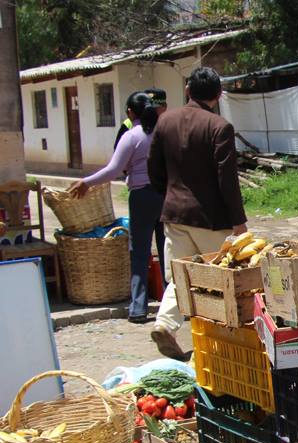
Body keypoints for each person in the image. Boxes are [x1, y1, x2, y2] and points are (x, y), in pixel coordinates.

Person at [148, 66, 248, 360]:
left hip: (175, 215)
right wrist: (239, 222)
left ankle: (165, 324)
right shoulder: (219, 127)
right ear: (217, 96)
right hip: (211, 220)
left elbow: (153, 168)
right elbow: (227, 180)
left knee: (181, 277)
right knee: (219, 281)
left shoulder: (165, 121)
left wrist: (169, 195)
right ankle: (221, 345)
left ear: (188, 90)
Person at [68, 91, 165, 324]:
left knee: (140, 253)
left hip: (142, 197)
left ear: (131, 113)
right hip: (166, 195)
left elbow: (114, 170)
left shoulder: (132, 136)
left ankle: (139, 309)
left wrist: (86, 182)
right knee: (166, 251)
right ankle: (172, 307)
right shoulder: (162, 133)